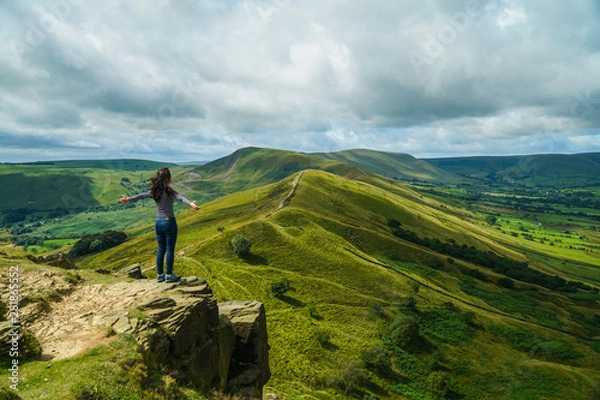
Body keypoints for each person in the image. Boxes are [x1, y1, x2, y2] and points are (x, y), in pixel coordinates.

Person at [119, 167, 200, 283]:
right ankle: (169, 275)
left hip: (158, 222)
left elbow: (141, 195)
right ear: (168, 178)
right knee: (170, 250)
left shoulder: (154, 191)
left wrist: (128, 199)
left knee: (161, 249)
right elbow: (181, 198)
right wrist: (191, 204)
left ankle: (160, 275)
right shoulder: (169, 191)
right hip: (169, 222)